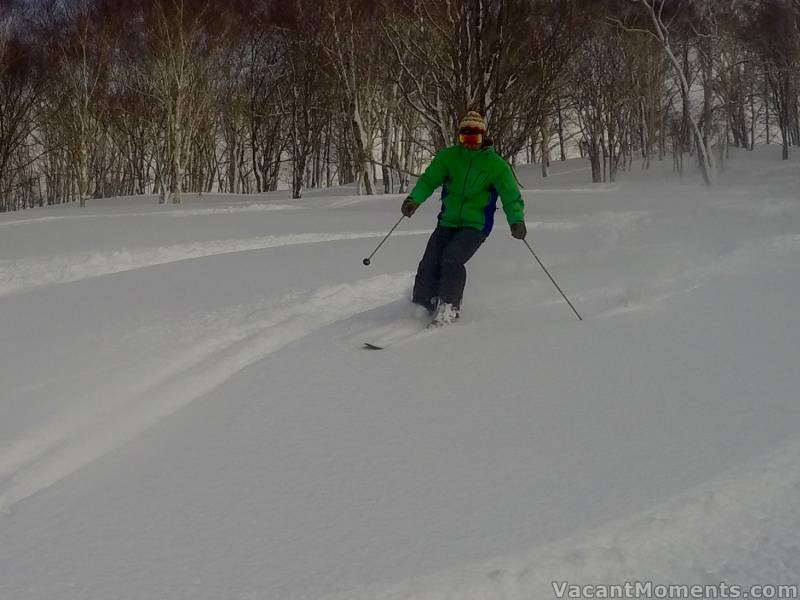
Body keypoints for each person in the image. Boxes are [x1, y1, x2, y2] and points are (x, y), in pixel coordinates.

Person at [401, 110, 527, 326]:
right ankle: (421, 304)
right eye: (464, 138)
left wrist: (517, 221)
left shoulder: (496, 165)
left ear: (483, 137)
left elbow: (510, 196)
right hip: (447, 221)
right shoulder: (449, 157)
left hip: (476, 225)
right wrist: (414, 200)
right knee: (430, 261)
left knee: (452, 258)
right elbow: (428, 180)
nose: (469, 143)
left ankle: (449, 307)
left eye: (474, 138)